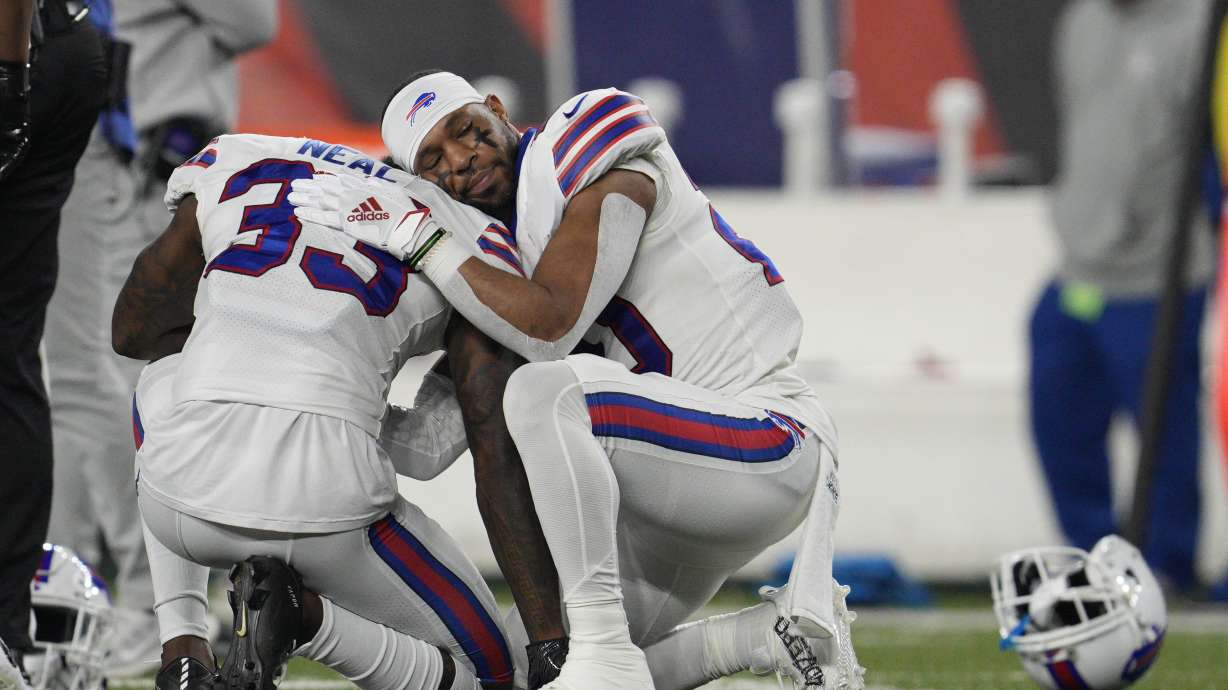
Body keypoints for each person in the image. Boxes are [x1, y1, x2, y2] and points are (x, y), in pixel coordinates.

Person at [293, 71, 863, 690]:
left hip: (766, 437)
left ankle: (602, 651)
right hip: (666, 489)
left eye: (467, 131)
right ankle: (759, 637)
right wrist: (302, 391)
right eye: (434, 161)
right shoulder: (492, 261)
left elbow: (551, 326)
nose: (463, 160)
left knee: (544, 391)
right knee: (513, 674)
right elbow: (425, 449)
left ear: (496, 111)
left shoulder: (578, 149)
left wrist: (417, 239)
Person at [112, 133, 519, 690]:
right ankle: (304, 619)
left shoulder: (243, 158)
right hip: (326, 507)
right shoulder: (472, 235)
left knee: (161, 378)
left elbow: (130, 332)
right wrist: (347, 403)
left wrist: (242, 349)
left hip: (178, 503)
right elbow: (427, 451)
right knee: (496, 675)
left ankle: (182, 643)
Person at [43, 0, 277, 674]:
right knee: (87, 383)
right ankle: (91, 591)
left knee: (118, 382)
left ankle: (155, 608)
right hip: (119, 159)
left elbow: (253, 22)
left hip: (149, 173)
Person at [1030, 0, 1213, 592]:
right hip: (1078, 269)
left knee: (1164, 432)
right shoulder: (1083, 20)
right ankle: (1095, 564)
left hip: (1158, 276)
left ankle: (1167, 568)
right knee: (1059, 414)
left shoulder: (1203, 26)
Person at [0, 0, 106, 672]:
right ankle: (7, 630)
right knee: (9, 351)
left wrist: (8, 79)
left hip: (25, 52)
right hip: (57, 44)